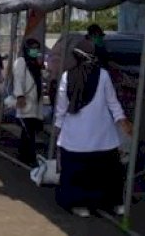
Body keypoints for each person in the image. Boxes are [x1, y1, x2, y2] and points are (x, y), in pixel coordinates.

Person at [55, 39, 132, 218]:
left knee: (77, 173)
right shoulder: (103, 75)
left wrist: (58, 129)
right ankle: (113, 203)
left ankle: (79, 205)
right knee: (109, 171)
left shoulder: (68, 76)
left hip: (75, 138)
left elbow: (61, 108)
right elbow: (113, 102)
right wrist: (122, 121)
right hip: (102, 137)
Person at [12, 38, 45, 167]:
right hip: (25, 100)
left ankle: (26, 153)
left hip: (35, 101)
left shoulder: (35, 63)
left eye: (37, 48)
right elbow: (18, 80)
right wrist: (19, 95)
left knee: (31, 129)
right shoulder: (21, 62)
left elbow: (42, 78)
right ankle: (25, 155)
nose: (35, 50)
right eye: (32, 48)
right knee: (27, 129)